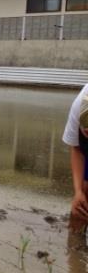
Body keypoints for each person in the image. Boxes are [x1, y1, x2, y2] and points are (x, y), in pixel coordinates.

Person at [63, 84, 88, 225]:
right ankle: (75, 240)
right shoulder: (79, 104)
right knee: (82, 198)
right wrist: (78, 191)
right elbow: (77, 149)